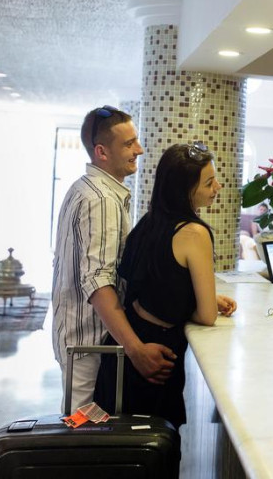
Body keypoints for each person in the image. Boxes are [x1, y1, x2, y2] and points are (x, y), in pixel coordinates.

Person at [94, 141, 237, 429]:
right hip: (157, 355)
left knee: (115, 443)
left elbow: (158, 289)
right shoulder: (195, 233)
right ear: (185, 191)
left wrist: (197, 298)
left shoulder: (148, 223)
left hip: (124, 351)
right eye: (209, 182)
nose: (217, 187)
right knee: (156, 444)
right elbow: (207, 316)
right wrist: (203, 303)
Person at [52, 105, 176, 414]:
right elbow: (98, 282)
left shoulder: (85, 187)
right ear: (102, 152)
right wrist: (136, 350)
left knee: (86, 429)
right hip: (90, 346)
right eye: (129, 144)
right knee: (86, 432)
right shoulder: (102, 199)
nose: (139, 150)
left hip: (81, 340)